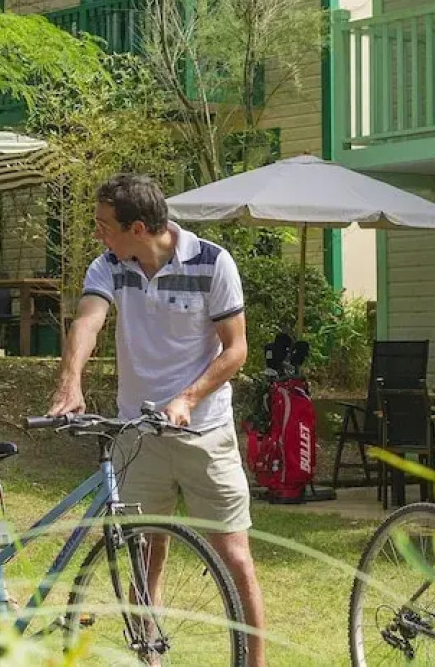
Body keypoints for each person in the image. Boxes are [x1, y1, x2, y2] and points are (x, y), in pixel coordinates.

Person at [47, 173, 267, 667]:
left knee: (234, 557)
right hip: (138, 433)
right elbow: (88, 319)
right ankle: (151, 659)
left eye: (106, 225)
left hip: (204, 430)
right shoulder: (109, 265)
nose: (98, 234)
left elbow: (236, 350)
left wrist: (188, 397)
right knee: (145, 552)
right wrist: (70, 380)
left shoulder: (213, 263)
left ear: (139, 227)